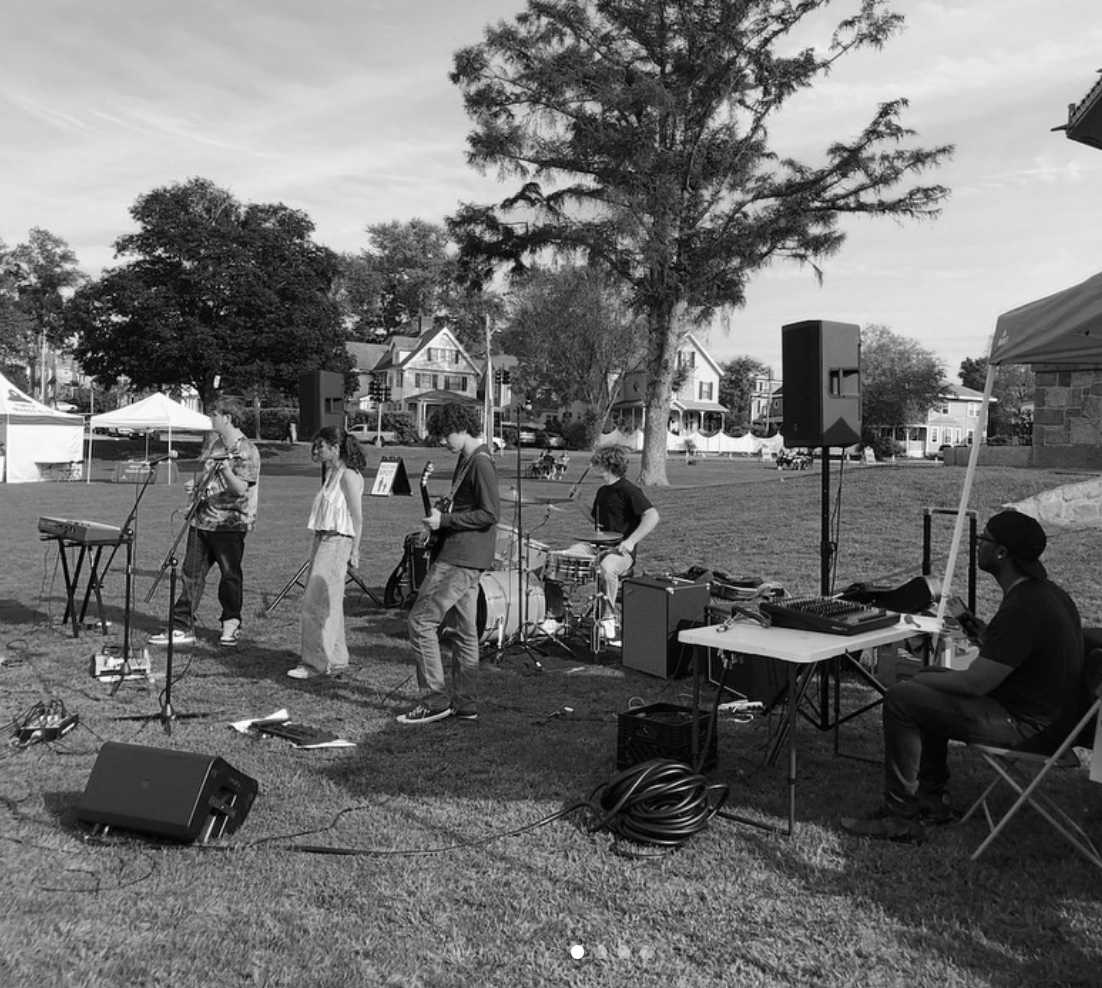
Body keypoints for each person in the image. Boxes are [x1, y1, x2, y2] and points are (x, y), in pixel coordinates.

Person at [842, 510, 1084, 841]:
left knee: (903, 697)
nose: (978, 544)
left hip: (1028, 728)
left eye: (984, 539)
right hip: (1043, 717)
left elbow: (974, 683)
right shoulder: (1046, 594)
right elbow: (1022, 657)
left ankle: (900, 818)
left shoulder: (1024, 606)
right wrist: (987, 640)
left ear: (1002, 552)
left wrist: (919, 681)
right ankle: (931, 798)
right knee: (929, 679)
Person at [397, 403, 500, 725]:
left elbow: (490, 513)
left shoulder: (480, 462)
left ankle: (434, 701)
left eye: (445, 434)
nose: (442, 441)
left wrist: (445, 521)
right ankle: (465, 704)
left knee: (420, 621)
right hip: (466, 555)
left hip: (460, 557)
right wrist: (443, 512)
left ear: (461, 427)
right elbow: (466, 504)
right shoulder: (466, 459)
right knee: (464, 631)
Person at [150, 397, 261, 648]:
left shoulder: (247, 451)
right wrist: (196, 484)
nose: (211, 419)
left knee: (229, 576)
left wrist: (225, 470)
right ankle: (181, 626)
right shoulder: (217, 445)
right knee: (191, 575)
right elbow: (207, 475)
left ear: (228, 418)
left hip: (230, 524)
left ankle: (231, 624)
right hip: (202, 521)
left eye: (214, 415)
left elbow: (240, 489)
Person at [287, 427, 365, 679]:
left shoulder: (348, 476)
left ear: (335, 447)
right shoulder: (332, 473)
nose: (316, 451)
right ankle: (337, 657)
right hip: (322, 539)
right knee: (330, 602)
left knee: (314, 603)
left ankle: (314, 663)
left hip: (337, 542)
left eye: (321, 446)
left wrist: (355, 550)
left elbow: (357, 517)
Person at [576, 445, 659, 645]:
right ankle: (556, 615)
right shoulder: (602, 491)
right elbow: (596, 520)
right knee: (560, 557)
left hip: (622, 552)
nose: (593, 465)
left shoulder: (628, 490)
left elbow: (652, 515)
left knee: (607, 567)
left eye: (597, 462)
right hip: (598, 546)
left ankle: (608, 618)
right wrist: (578, 501)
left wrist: (631, 541)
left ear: (609, 465)